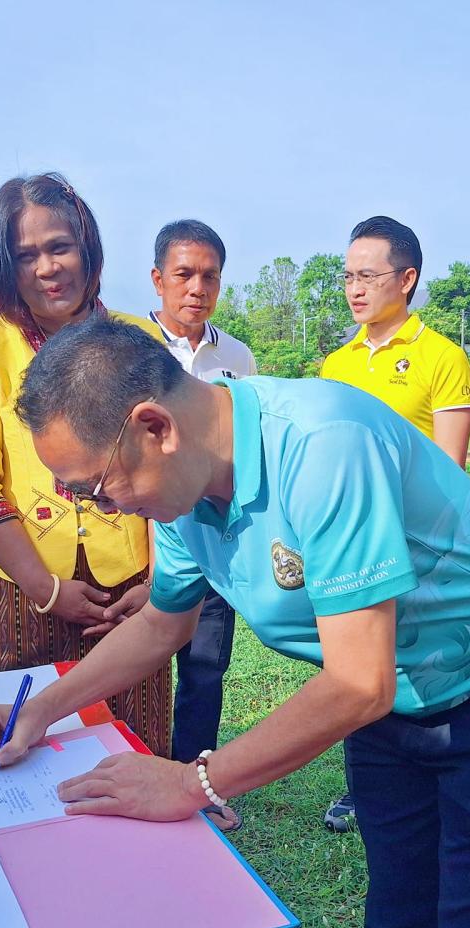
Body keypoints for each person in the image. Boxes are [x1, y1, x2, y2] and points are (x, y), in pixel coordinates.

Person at [0, 317, 470, 928]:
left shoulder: (324, 447)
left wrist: (192, 782)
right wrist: (43, 709)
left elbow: (358, 680)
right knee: (399, 924)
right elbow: (164, 621)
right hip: (393, 705)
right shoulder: (182, 490)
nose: (101, 506)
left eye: (96, 488)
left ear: (154, 426)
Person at [0, 173, 172, 755]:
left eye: (59, 247)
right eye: (26, 256)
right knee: (14, 743)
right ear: (4, 267)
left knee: (131, 744)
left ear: (87, 248)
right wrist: (44, 588)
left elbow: (172, 467)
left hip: (129, 593)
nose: (47, 268)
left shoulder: (140, 338)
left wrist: (156, 581)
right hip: (21, 585)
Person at [317, 215, 470, 832]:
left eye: (368, 276)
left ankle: (436, 772)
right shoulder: (336, 364)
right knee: (354, 666)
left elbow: (451, 470)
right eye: (349, 276)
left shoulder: (441, 356)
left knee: (419, 662)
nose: (355, 289)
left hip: (417, 538)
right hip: (350, 540)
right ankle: (363, 788)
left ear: (406, 279)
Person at [148, 219, 256, 831]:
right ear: (158, 279)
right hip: (138, 537)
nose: (197, 288)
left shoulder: (236, 357)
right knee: (137, 660)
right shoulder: (128, 349)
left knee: (205, 666)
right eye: (184, 275)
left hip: (210, 542)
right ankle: (131, 769)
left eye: (209, 276)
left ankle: (194, 783)